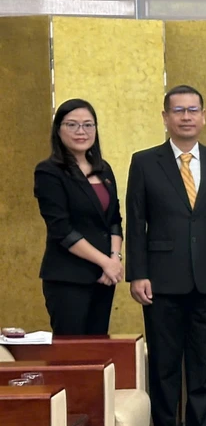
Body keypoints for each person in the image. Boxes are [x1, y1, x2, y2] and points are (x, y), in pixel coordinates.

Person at [126, 85, 206, 426]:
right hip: (160, 278)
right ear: (165, 117)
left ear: (203, 116)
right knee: (165, 362)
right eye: (178, 110)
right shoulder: (144, 161)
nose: (186, 117)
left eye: (192, 110)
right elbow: (135, 222)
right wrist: (137, 273)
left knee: (204, 360)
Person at [34, 99, 123, 336]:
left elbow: (114, 219)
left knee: (98, 352)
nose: (81, 131)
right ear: (58, 129)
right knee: (72, 355)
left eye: (88, 125)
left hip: (104, 279)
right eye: (72, 125)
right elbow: (61, 229)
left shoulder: (103, 169)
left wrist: (114, 260)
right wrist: (105, 262)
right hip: (68, 277)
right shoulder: (49, 171)